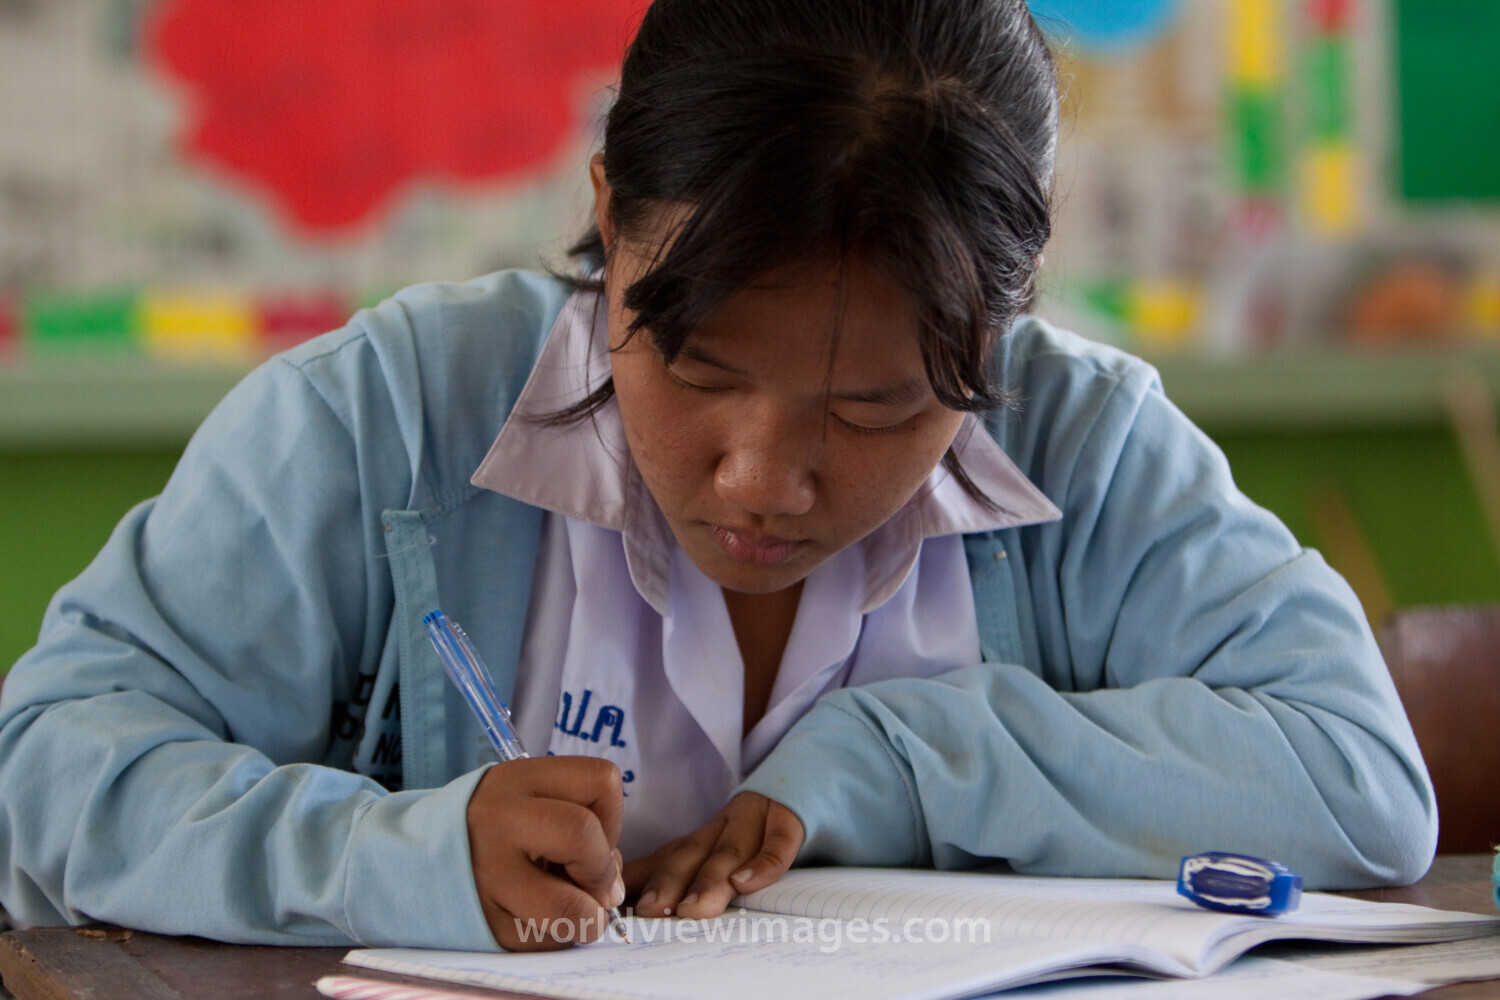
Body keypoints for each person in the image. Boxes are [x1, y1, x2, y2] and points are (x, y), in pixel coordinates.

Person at [0, 0, 1434, 954]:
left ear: (1001, 324)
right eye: (691, 369)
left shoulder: (1085, 442)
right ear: (611, 220)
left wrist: (903, 755)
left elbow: (1362, 782)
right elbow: (47, 777)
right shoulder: (385, 421)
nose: (763, 480)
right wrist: (398, 856)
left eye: (873, 408)